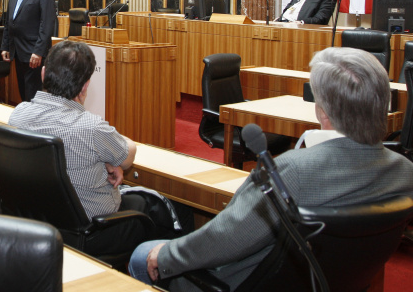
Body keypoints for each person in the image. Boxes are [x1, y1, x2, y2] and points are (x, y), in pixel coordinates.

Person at [128, 46, 413, 290]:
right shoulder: (404, 171)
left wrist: (166, 256)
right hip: (333, 281)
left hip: (246, 282)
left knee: (144, 254)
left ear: (322, 111)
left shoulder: (294, 170)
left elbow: (229, 236)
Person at [9, 40, 187, 257]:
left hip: (40, 223)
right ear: (85, 85)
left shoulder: (19, 114)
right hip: (93, 232)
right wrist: (109, 157)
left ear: (43, 74)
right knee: (160, 209)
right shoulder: (92, 128)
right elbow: (127, 156)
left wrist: (104, 157)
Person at [1, 0, 56, 101]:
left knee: (33, 93)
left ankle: (32, 122)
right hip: (17, 51)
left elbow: (47, 25)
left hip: (33, 53)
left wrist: (38, 51)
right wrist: (5, 45)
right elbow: (9, 21)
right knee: (23, 91)